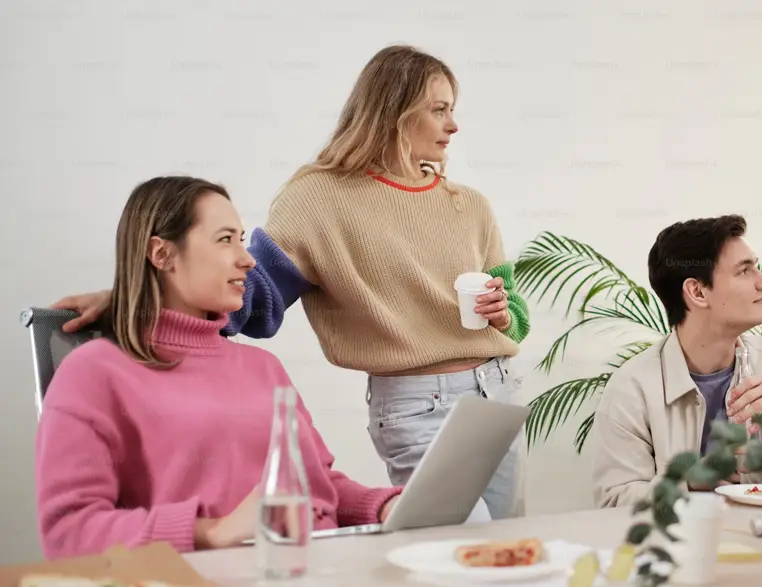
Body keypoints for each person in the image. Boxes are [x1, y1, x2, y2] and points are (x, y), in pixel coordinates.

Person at [49, 45, 530, 520]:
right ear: (395, 111)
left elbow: (516, 318)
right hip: (416, 404)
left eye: (452, 110)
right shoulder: (318, 199)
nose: (453, 125)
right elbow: (250, 296)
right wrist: (138, 297)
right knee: (454, 541)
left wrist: (504, 314)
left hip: (497, 389)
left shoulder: (469, 205)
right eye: (439, 110)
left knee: (508, 547)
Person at [36, 177, 403, 559]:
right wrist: (211, 532)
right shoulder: (93, 372)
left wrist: (383, 506)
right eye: (225, 239)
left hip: (316, 568)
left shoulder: (264, 368)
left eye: (241, 240)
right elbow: (69, 532)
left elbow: (314, 486)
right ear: (161, 254)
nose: (247, 259)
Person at [592, 215, 762, 508]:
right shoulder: (632, 389)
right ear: (698, 292)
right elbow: (612, 502)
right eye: (744, 271)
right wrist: (686, 483)